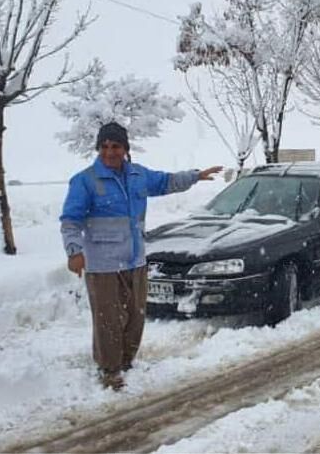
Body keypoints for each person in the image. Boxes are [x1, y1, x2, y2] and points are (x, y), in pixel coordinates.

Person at [60, 122, 222, 391]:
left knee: (135, 316)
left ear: (125, 149)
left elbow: (167, 181)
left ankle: (126, 361)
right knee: (108, 319)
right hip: (103, 265)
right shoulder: (85, 180)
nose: (110, 152)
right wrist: (74, 252)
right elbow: (70, 221)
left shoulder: (138, 175)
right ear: (99, 148)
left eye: (116, 146)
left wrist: (195, 176)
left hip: (135, 260)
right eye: (105, 147)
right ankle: (110, 369)